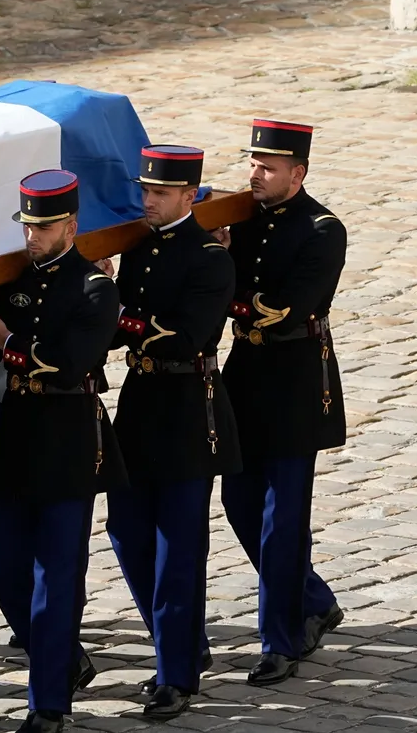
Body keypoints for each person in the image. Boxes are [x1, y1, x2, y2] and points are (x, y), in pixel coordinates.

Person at [0, 171, 127, 733]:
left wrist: (2, 335)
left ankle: (49, 706)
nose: (32, 236)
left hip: (67, 440)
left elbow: (66, 365)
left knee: (57, 578)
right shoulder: (13, 280)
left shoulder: (94, 289)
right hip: (15, 435)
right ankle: (64, 660)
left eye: (44, 227)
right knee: (3, 571)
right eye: (28, 226)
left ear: (71, 226)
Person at [108, 146, 241, 720]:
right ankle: (180, 641)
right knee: (125, 530)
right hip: (140, 402)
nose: (149, 201)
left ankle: (176, 674)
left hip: (189, 408)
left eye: (160, 193)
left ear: (190, 196)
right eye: (145, 191)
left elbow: (186, 336)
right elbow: (121, 333)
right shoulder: (139, 250)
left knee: (178, 548)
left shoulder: (209, 259)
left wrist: (117, 315)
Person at [212, 120, 347, 686]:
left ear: (298, 173)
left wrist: (222, 279)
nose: (255, 174)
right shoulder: (241, 221)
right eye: (253, 164)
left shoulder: (323, 230)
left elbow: (286, 305)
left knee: (282, 520)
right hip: (245, 373)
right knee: (240, 503)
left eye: (268, 168)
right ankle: (313, 598)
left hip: (296, 382)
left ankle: (280, 640)